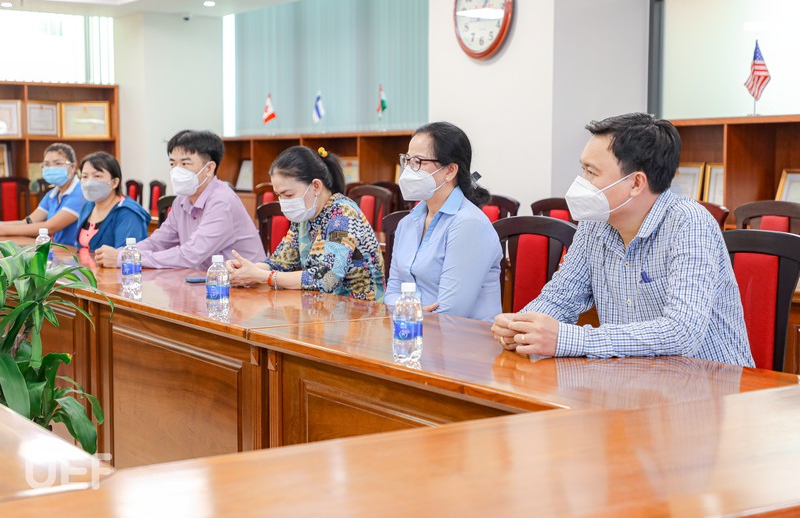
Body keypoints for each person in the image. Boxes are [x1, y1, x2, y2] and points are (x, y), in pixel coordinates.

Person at [491, 112, 754, 367]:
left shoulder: (689, 223)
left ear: (636, 183)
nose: (582, 182)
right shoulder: (595, 224)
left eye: (591, 172)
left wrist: (569, 339)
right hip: (636, 378)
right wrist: (521, 327)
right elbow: (561, 297)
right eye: (583, 169)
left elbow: (681, 331)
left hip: (712, 384)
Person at [225, 145, 385, 301]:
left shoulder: (342, 214)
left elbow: (327, 278)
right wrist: (245, 270)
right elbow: (280, 263)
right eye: (278, 195)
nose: (283, 202)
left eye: (288, 195)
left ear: (316, 186)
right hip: (323, 307)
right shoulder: (305, 216)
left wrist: (263, 276)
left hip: (361, 311)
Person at [94, 129, 266, 269]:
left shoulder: (222, 201)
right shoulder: (182, 200)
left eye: (185, 164)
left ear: (209, 168)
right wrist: (122, 253)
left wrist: (127, 258)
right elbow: (159, 241)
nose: (177, 171)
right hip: (205, 282)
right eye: (172, 164)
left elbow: (190, 254)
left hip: (244, 289)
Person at [384, 122, 502, 322]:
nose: (409, 169)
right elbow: (392, 293)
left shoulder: (469, 224)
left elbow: (452, 311)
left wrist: (408, 310)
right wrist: (415, 311)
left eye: (418, 162)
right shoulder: (407, 223)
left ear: (450, 171)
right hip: (415, 330)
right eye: (407, 160)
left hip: (464, 336)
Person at [0, 143, 84, 244]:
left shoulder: (81, 192)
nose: (51, 168)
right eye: (47, 164)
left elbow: (50, 227)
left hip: (76, 251)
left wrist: (4, 230)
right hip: (58, 249)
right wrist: (2, 225)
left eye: (58, 163)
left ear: (73, 167)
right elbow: (29, 221)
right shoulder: (52, 194)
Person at [74, 151, 150, 251]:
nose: (89, 182)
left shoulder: (128, 213)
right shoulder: (87, 206)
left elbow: (125, 255)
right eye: (85, 176)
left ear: (114, 182)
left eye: (97, 176)